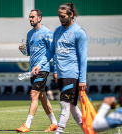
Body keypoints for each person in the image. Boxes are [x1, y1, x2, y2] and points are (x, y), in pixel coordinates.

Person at [31, 3, 88, 134]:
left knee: (64, 104)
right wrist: (39, 65)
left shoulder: (79, 33)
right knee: (72, 107)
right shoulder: (57, 31)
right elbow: (51, 51)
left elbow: (83, 58)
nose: (60, 19)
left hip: (72, 75)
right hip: (62, 75)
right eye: (59, 16)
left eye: (63, 16)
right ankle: (88, 130)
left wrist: (82, 79)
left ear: (71, 14)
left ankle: (59, 131)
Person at [16, 9, 58, 132]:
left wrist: (55, 70)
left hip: (43, 69)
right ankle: (54, 123)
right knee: (42, 97)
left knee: (33, 94)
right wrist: (22, 49)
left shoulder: (47, 33)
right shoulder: (29, 34)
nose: (31, 19)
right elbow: (28, 52)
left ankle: (27, 125)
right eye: (30, 17)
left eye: (33, 17)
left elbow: (53, 52)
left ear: (39, 18)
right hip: (32, 71)